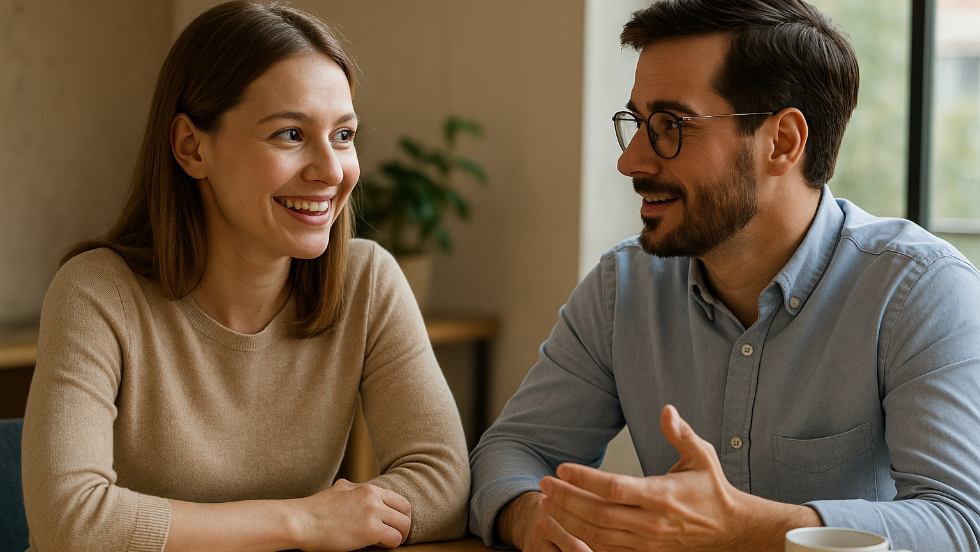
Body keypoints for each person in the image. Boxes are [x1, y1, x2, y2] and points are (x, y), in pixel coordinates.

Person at [469, 1, 980, 551]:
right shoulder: (624, 287)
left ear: (782, 142)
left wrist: (743, 525)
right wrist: (530, 518)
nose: (632, 160)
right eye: (637, 124)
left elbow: (959, 523)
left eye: (670, 126)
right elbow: (512, 450)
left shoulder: (919, 291)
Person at [21, 2, 469, 551]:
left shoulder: (368, 281)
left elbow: (444, 488)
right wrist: (305, 523)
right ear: (191, 147)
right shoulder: (96, 292)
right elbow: (71, 525)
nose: (331, 171)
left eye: (344, 135)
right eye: (289, 134)